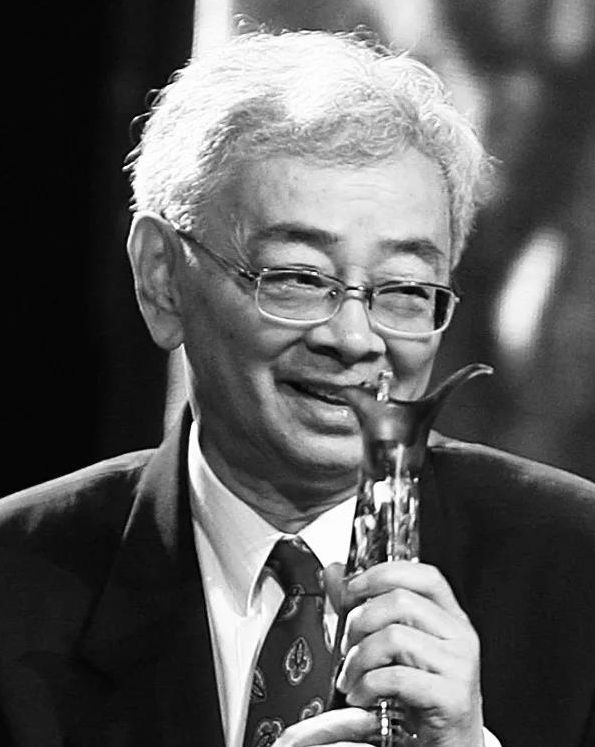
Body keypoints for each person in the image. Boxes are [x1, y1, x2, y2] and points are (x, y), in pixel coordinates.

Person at [1, 29, 594, 747]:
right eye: (298, 277)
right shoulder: (18, 584)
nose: (354, 338)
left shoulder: (574, 570)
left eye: (405, 288)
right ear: (162, 279)